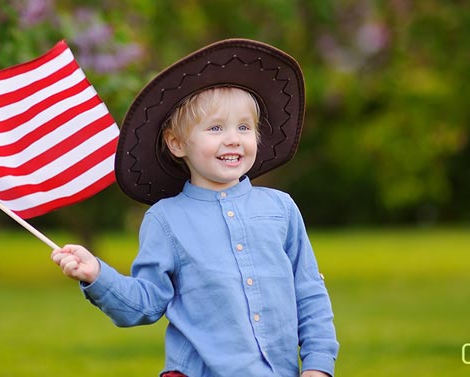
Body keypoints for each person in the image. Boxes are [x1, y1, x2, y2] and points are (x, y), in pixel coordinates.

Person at [51, 39, 339, 377]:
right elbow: (145, 303)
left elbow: (310, 294)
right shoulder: (166, 219)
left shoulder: (281, 209)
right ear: (177, 143)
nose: (233, 138)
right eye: (216, 128)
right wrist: (98, 276)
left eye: (244, 127)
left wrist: (318, 366)